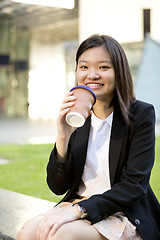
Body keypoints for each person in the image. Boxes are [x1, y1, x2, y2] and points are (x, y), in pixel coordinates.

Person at [16, 34, 160, 240]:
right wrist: (63, 137)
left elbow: (133, 186)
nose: (92, 75)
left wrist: (77, 210)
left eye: (103, 67)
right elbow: (57, 187)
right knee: (27, 232)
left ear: (119, 71)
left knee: (62, 236)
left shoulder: (140, 115)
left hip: (121, 212)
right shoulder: (78, 116)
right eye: (84, 67)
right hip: (77, 206)